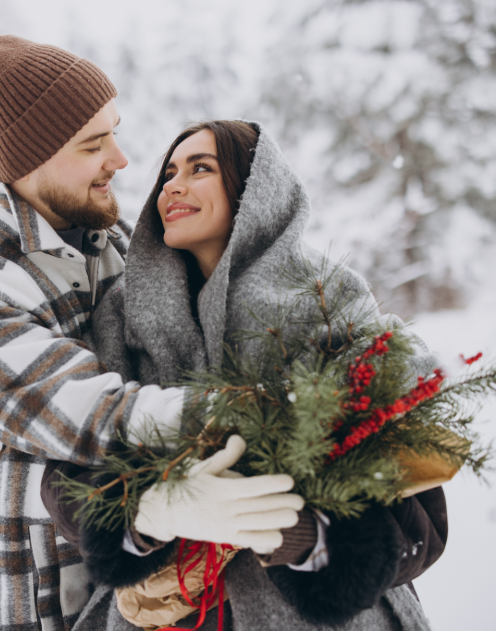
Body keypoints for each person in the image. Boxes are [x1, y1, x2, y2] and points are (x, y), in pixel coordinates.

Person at [0, 39, 300, 631]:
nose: (120, 158)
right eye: (93, 145)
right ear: (27, 162)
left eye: (114, 132)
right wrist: (281, 417)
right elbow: (97, 413)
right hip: (30, 611)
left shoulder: (116, 243)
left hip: (126, 602)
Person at [41, 120, 448, 631]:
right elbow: (70, 469)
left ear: (256, 189)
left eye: (200, 168)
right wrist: (150, 513)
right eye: (168, 172)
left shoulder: (332, 298)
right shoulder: (121, 316)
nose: (172, 185)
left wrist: (302, 534)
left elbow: (418, 519)